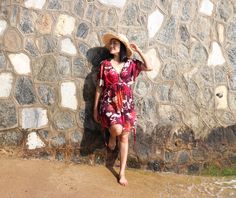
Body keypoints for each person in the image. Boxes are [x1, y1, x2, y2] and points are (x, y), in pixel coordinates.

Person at [93, 32, 152, 186]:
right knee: (117, 130)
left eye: (115, 44)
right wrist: (95, 108)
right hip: (109, 103)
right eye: (111, 43)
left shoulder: (131, 64)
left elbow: (149, 67)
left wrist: (138, 50)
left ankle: (122, 172)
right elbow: (99, 87)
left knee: (124, 137)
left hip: (126, 104)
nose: (111, 46)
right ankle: (112, 136)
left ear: (122, 48)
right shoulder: (105, 65)